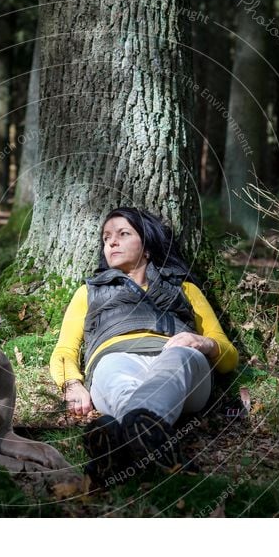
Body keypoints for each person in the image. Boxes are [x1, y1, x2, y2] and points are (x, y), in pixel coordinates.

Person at [49, 207, 238, 484]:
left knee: (178, 357)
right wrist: (72, 384)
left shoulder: (185, 289)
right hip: (115, 360)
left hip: (181, 366)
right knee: (113, 369)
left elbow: (229, 357)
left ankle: (118, 448)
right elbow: (64, 351)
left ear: (147, 245)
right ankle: (144, 442)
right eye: (106, 237)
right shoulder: (89, 292)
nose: (111, 242)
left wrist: (202, 342)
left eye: (123, 234)